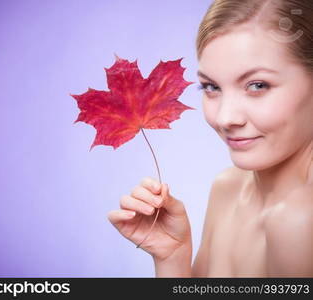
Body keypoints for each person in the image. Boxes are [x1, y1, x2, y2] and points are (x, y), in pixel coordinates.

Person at [107, 0, 313, 277]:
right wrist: (172, 258)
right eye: (211, 87)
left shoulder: (301, 221)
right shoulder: (227, 189)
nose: (226, 117)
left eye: (257, 85)